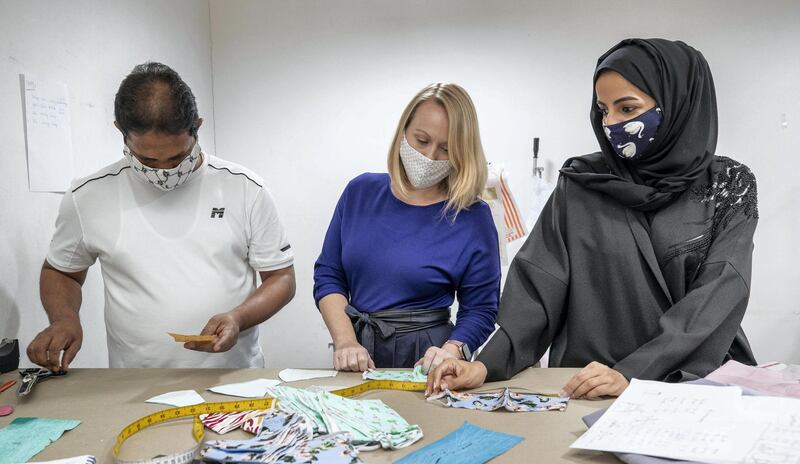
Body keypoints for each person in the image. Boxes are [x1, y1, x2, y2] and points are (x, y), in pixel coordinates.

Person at [427, 38, 758, 398]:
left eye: (627, 109)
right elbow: (539, 287)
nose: (611, 123)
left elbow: (718, 295)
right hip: (587, 384)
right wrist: (485, 364)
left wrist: (633, 373)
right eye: (603, 110)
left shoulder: (728, 186)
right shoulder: (583, 184)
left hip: (689, 384)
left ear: (678, 104)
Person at [27, 62, 295, 369]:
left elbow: (281, 277)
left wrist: (238, 317)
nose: (164, 171)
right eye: (148, 159)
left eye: (177, 157)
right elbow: (61, 271)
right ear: (120, 132)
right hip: (135, 382)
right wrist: (64, 319)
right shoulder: (88, 196)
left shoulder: (245, 188)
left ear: (198, 126)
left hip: (232, 378)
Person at [314, 83, 501, 372]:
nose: (429, 157)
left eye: (446, 149)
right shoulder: (360, 192)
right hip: (358, 352)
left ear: (462, 153)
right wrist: (345, 341)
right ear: (403, 132)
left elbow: (480, 309)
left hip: (427, 360)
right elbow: (329, 275)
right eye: (421, 140)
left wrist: (452, 351)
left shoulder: (472, 217)